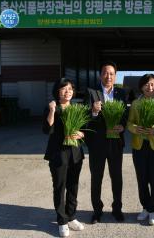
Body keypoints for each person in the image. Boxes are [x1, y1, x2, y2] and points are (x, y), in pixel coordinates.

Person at [84, 61, 127, 224]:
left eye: (111, 73)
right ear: (100, 75)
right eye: (105, 73)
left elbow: (125, 115)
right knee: (97, 177)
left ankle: (117, 209)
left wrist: (122, 126)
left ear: (115, 76)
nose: (108, 76)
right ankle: (97, 211)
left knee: (117, 177)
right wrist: (94, 111)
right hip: (97, 143)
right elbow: (85, 117)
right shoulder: (91, 93)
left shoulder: (121, 93)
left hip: (115, 142)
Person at [43, 78, 85, 237]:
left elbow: (83, 130)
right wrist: (52, 110)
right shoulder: (53, 108)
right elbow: (47, 129)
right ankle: (62, 221)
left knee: (73, 186)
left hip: (75, 153)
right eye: (64, 89)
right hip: (58, 154)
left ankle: (71, 216)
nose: (68, 91)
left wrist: (81, 134)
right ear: (57, 91)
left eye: (70, 89)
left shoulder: (76, 108)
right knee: (60, 187)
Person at [127, 74, 154, 226]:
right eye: (146, 84)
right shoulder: (135, 104)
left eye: (152, 84)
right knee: (142, 178)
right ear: (141, 87)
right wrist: (135, 128)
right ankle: (145, 207)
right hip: (139, 146)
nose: (149, 87)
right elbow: (129, 123)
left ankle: (153, 210)